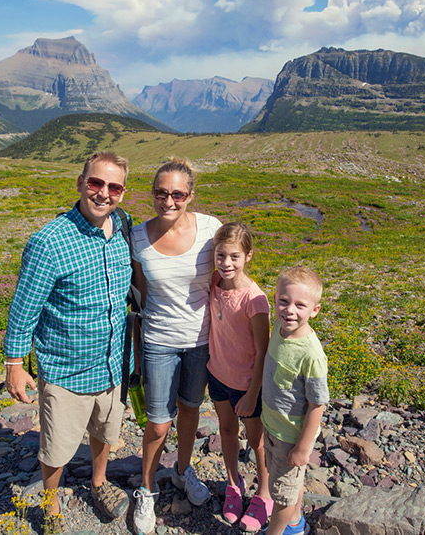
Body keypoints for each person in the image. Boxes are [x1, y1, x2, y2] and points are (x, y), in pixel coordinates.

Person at [3, 151, 133, 525]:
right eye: (95, 183)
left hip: (112, 365)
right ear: (80, 183)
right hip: (66, 368)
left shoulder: (122, 226)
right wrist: (14, 364)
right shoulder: (50, 241)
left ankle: (98, 481)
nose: (103, 193)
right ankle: (51, 500)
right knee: (57, 446)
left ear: (122, 193)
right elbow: (24, 307)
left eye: (114, 187)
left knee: (106, 431)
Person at [131, 158, 221, 535]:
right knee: (157, 422)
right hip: (158, 341)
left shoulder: (211, 229)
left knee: (190, 411)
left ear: (190, 195)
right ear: (153, 194)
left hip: (200, 340)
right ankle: (146, 489)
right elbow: (138, 295)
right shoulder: (136, 236)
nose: (169, 201)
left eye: (177, 194)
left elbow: (223, 280)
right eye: (161, 193)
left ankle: (184, 471)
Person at [207, 222, 273, 531]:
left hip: (247, 385)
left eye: (234, 256)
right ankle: (234, 483)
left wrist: (251, 392)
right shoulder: (214, 284)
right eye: (221, 255)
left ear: (248, 256)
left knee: (257, 440)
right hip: (217, 376)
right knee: (227, 432)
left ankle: (264, 493)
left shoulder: (255, 300)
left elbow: (263, 352)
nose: (227, 263)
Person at [261, 267, 329, 535]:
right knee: (288, 483)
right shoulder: (278, 326)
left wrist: (303, 448)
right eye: (284, 301)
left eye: (300, 305)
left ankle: (274, 532)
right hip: (273, 424)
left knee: (281, 496)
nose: (289, 310)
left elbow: (317, 404)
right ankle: (294, 525)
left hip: (292, 434)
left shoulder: (311, 355)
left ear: (315, 310)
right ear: (274, 298)